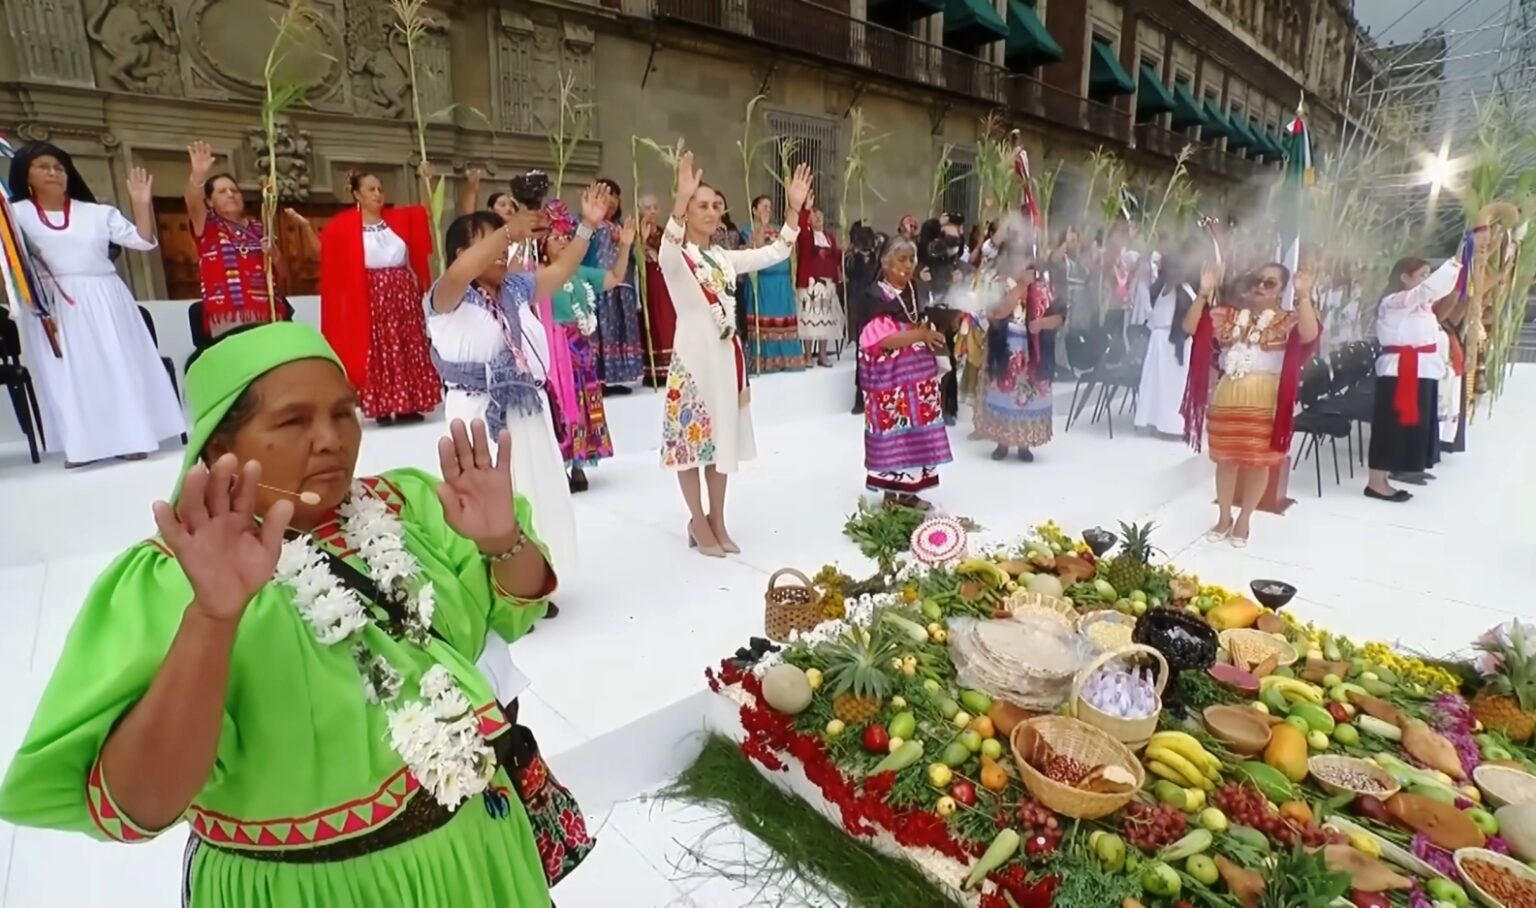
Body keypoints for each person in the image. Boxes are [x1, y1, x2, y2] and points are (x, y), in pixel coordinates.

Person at [0, 320, 583, 906]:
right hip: (317, 889)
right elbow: (139, 807)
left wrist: (502, 539)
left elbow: (518, 608)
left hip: (476, 855)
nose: (331, 439)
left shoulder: (407, 505)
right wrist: (213, 617)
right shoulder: (169, 580)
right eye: (293, 420)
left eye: (343, 412)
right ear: (221, 446)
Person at [426, 187, 608, 595]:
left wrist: (588, 226)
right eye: (487, 243)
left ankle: (534, 580)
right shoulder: (447, 297)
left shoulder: (517, 290)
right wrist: (509, 231)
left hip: (527, 409)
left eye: (505, 242)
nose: (501, 250)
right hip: (477, 414)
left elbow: (561, 273)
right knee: (491, 502)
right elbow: (459, 273)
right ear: (459, 255)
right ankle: (492, 586)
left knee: (536, 491)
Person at [657, 150, 813, 556]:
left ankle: (718, 520)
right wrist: (679, 197)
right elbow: (667, 246)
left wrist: (793, 211)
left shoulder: (724, 258)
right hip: (692, 362)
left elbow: (776, 252)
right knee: (691, 447)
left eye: (715, 206)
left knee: (720, 444)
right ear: (687, 211)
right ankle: (696, 519)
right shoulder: (676, 257)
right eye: (701, 205)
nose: (710, 212)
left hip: (726, 360)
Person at [6, 141, 185, 466]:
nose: (53, 173)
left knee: (116, 366)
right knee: (69, 374)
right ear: (25, 174)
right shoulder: (13, 215)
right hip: (52, 304)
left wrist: (141, 204)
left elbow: (143, 243)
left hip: (104, 297)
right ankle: (83, 446)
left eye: (59, 167)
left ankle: (132, 438)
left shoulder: (98, 213)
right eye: (43, 166)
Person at [1182, 261, 1320, 547]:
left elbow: (1310, 335)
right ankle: (1223, 517)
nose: (1260, 287)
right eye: (1257, 280)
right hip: (1228, 394)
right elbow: (1190, 326)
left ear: (1282, 290)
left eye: (1269, 283)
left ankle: (1244, 519)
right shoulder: (1229, 315)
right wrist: (1203, 294)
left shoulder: (1288, 319)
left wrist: (1305, 296)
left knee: (1259, 463)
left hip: (1265, 397)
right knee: (1226, 460)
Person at [311, 166, 440, 425]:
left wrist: (428, 180)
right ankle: (383, 405)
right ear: (357, 195)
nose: (378, 194)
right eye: (371, 189)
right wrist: (304, 227)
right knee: (379, 348)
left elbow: (426, 212)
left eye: (380, 189)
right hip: (369, 294)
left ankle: (409, 403)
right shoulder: (343, 226)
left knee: (406, 345)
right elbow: (327, 255)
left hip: (401, 293)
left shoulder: (398, 218)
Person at [539, 201, 632, 491]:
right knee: (560, 406)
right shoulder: (538, 275)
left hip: (582, 347)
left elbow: (615, 277)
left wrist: (625, 246)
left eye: (568, 237)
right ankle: (558, 464)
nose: (565, 242)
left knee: (583, 404)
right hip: (555, 350)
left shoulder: (579, 272)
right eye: (558, 238)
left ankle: (579, 462)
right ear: (543, 245)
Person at [859, 237, 952, 508]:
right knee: (893, 431)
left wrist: (935, 331)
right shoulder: (873, 296)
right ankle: (890, 495)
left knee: (917, 433)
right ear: (885, 262)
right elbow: (879, 340)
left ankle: (910, 493)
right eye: (902, 259)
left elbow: (924, 325)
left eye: (911, 259)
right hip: (889, 382)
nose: (908, 265)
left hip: (918, 380)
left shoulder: (916, 291)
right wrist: (918, 334)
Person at [1364, 256, 1461, 501]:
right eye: (1422, 275)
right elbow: (1429, 289)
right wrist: (1454, 262)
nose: (1426, 281)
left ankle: (1388, 475)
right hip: (1399, 372)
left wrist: (1459, 268)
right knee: (1390, 428)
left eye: (1429, 274)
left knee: (1406, 429)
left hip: (1419, 370)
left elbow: (1441, 289)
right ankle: (1376, 482)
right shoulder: (1395, 301)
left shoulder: (1422, 305)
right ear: (1404, 278)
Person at [185, 141, 288, 341]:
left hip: (269, 314)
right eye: (222, 192)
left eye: (234, 190)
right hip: (229, 317)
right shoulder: (207, 226)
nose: (231, 194)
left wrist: (275, 255)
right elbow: (192, 201)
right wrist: (197, 176)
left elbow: (283, 275)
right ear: (209, 201)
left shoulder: (260, 227)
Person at [975, 265, 1064, 462]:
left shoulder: (1045, 286)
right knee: (1004, 394)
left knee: (1029, 396)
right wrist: (1021, 285)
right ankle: (1002, 442)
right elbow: (996, 313)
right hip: (1007, 347)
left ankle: (1025, 444)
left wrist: (1041, 324)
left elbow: (1060, 317)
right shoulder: (1000, 282)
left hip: (1034, 350)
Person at [585, 178, 643, 393]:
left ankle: (616, 378)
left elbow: (634, 260)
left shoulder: (620, 227)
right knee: (599, 331)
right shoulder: (586, 224)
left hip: (621, 287)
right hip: (598, 285)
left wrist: (628, 243)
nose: (611, 200)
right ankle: (597, 378)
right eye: (606, 194)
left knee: (618, 330)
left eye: (615, 196)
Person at [1134, 249, 1196, 437]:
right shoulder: (1161, 287)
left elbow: (1188, 322)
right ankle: (1152, 421)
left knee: (1172, 389)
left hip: (1174, 344)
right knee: (1155, 386)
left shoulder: (1185, 292)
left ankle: (1172, 428)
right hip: (1158, 342)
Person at [741, 195, 804, 374]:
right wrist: (761, 226)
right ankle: (766, 361)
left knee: (784, 317)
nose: (768, 210)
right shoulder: (748, 230)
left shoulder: (779, 230)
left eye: (770, 206)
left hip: (782, 281)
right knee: (765, 319)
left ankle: (787, 359)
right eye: (763, 206)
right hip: (763, 282)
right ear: (754, 210)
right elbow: (758, 250)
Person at [794, 198, 844, 367]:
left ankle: (822, 354)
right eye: (814, 215)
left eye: (820, 215)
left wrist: (842, 252)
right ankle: (808, 355)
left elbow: (835, 259)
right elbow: (800, 227)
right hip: (810, 284)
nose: (818, 218)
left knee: (825, 320)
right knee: (809, 319)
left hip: (827, 284)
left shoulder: (829, 237)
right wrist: (805, 210)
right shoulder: (806, 237)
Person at [844, 221, 882, 414]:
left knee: (878, 355)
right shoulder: (852, 259)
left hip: (877, 310)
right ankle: (860, 397)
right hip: (861, 309)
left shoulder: (879, 259)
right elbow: (848, 273)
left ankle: (876, 396)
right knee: (862, 355)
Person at [639, 193, 676, 386]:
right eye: (648, 208)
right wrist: (642, 241)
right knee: (652, 320)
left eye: (655, 207)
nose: (652, 212)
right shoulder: (636, 232)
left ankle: (670, 368)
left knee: (667, 320)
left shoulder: (663, 232)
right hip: (648, 280)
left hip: (665, 281)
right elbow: (634, 257)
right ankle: (653, 370)